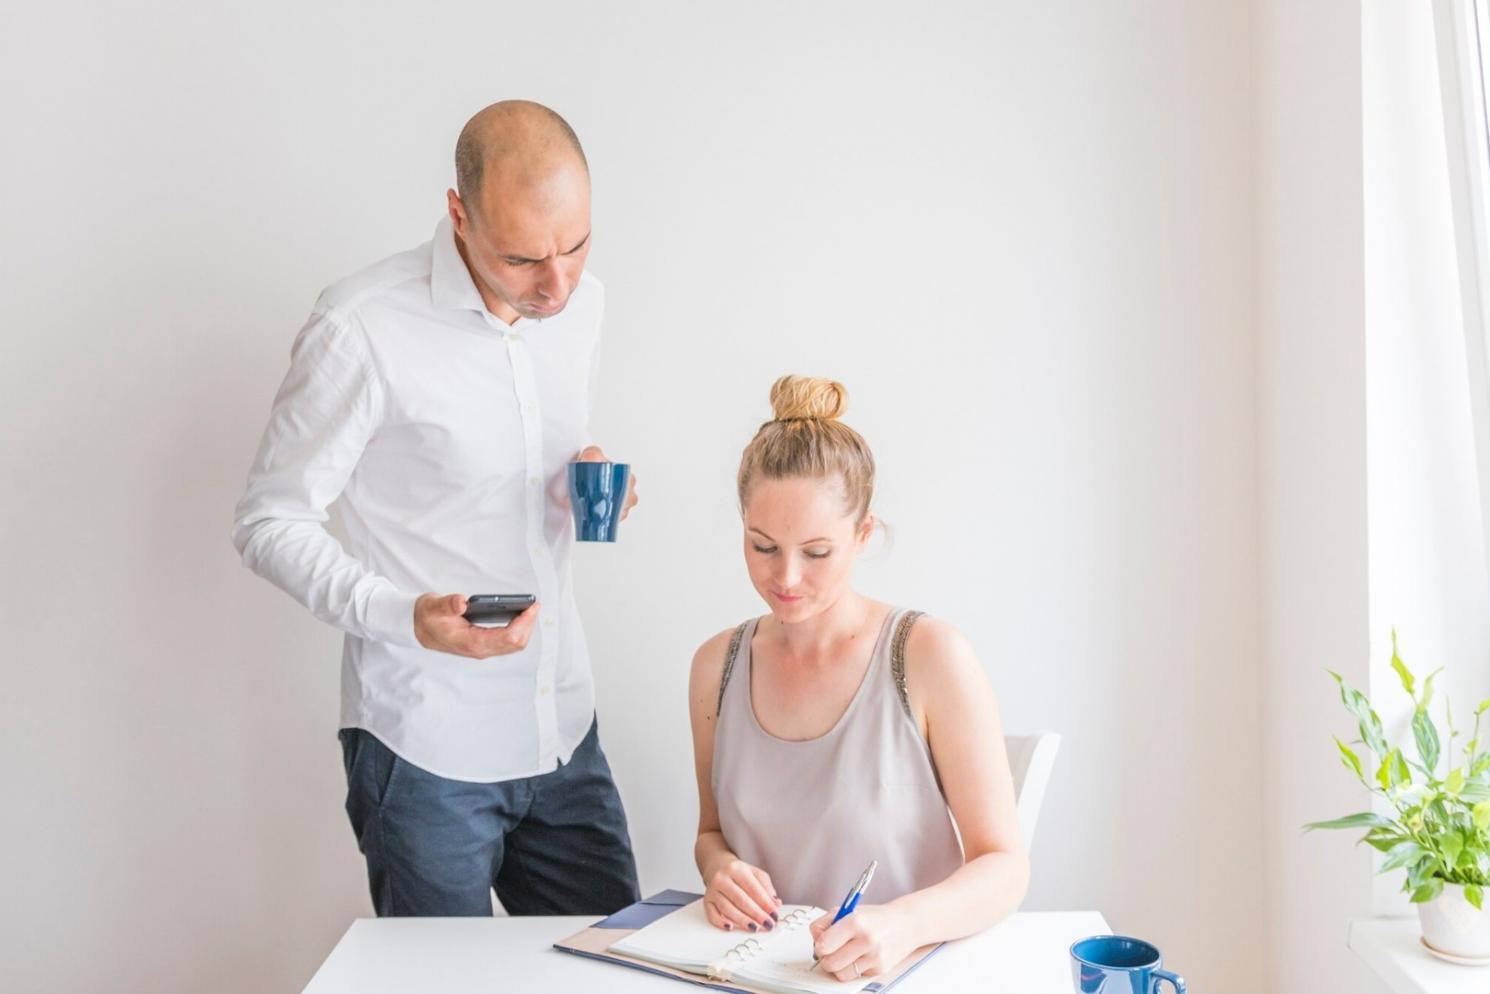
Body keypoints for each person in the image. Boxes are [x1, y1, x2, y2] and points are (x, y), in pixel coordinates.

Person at [232, 100, 640, 917]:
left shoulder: (579, 304)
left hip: (562, 727)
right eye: (524, 258)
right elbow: (268, 521)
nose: (557, 284)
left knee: (612, 975)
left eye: (576, 244)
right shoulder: (360, 328)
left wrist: (584, 482)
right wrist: (401, 615)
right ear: (458, 213)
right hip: (424, 749)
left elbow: (515, 461)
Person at [686, 375, 1029, 982]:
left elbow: (1004, 866)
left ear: (863, 534)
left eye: (816, 552)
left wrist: (902, 925)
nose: (786, 576)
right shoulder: (717, 666)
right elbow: (712, 833)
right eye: (763, 546)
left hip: (906, 976)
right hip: (760, 976)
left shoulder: (928, 656)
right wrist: (719, 871)